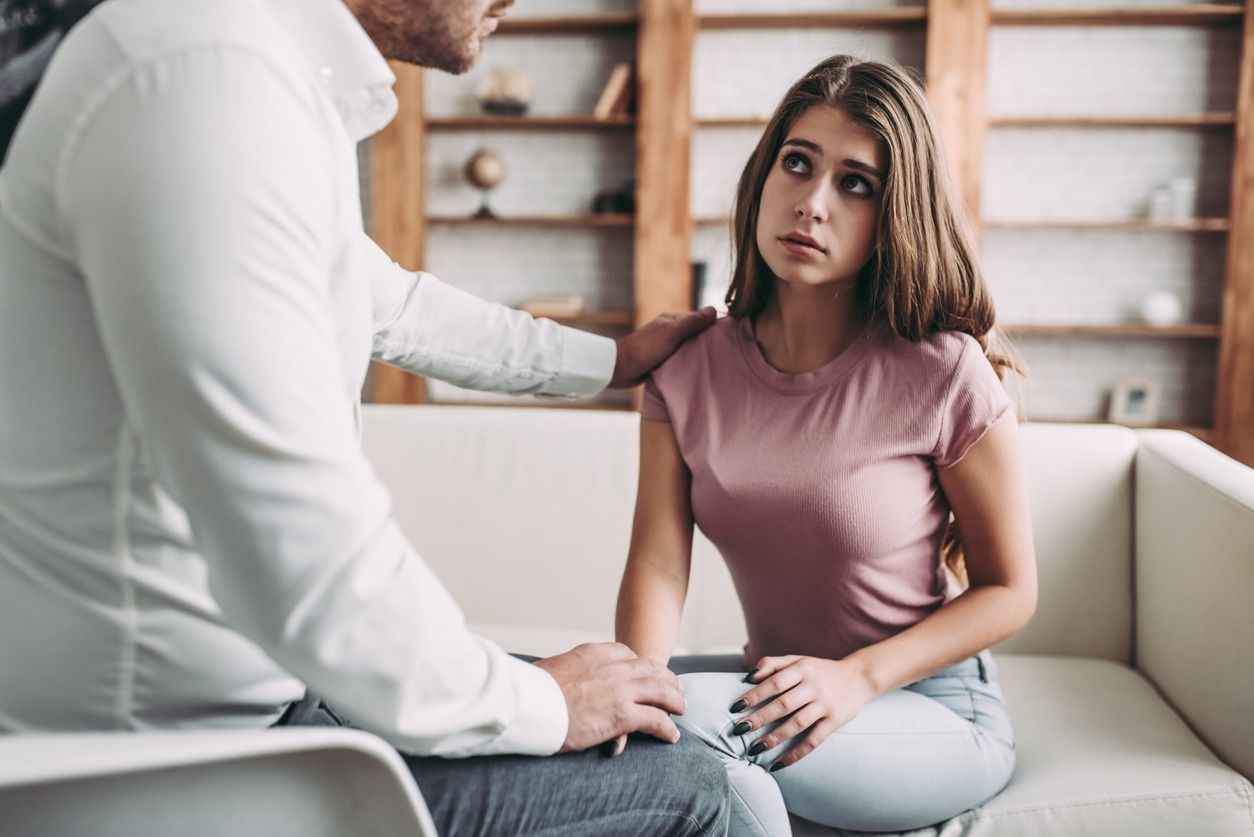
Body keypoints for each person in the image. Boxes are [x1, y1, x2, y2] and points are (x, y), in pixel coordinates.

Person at [0, 0, 730, 834]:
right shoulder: (206, 82)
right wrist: (545, 701)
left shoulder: (249, 71)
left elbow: (394, 305)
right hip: (169, 764)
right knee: (693, 789)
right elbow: (311, 560)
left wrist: (613, 361)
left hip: (264, 699)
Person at [615, 55, 1038, 835]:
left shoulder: (942, 369)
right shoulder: (688, 369)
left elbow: (1010, 589)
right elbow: (658, 561)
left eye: (856, 184)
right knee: (558, 697)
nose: (811, 204)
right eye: (798, 164)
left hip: (926, 709)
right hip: (779, 691)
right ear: (763, 175)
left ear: (894, 214)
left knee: (699, 723)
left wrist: (857, 678)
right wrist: (627, 690)